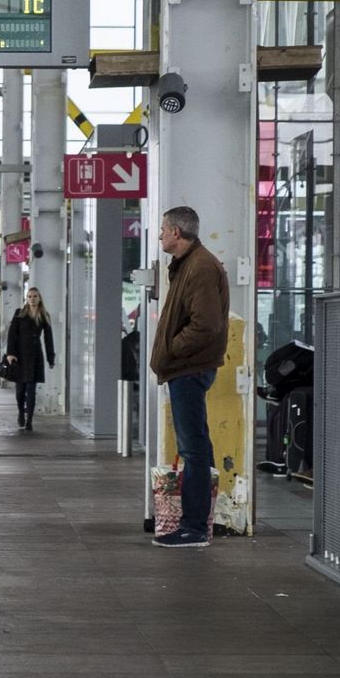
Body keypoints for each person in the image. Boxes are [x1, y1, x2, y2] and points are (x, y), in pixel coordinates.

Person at [148, 206, 229, 548]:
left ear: (177, 233)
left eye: (164, 230)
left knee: (193, 449)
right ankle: (201, 521)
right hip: (186, 368)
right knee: (197, 446)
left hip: (189, 369)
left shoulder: (199, 267)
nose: (161, 235)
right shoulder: (188, 265)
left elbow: (205, 325)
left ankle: (194, 528)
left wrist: (172, 351)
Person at [4, 286, 55, 430]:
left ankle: (30, 420)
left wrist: (51, 358)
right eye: (30, 296)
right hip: (19, 356)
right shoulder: (19, 314)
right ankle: (21, 412)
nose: (32, 299)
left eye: (35, 296)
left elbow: (48, 339)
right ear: (26, 299)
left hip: (35, 356)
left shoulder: (44, 315)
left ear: (39, 299)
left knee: (32, 389)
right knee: (20, 390)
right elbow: (12, 335)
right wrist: (10, 354)